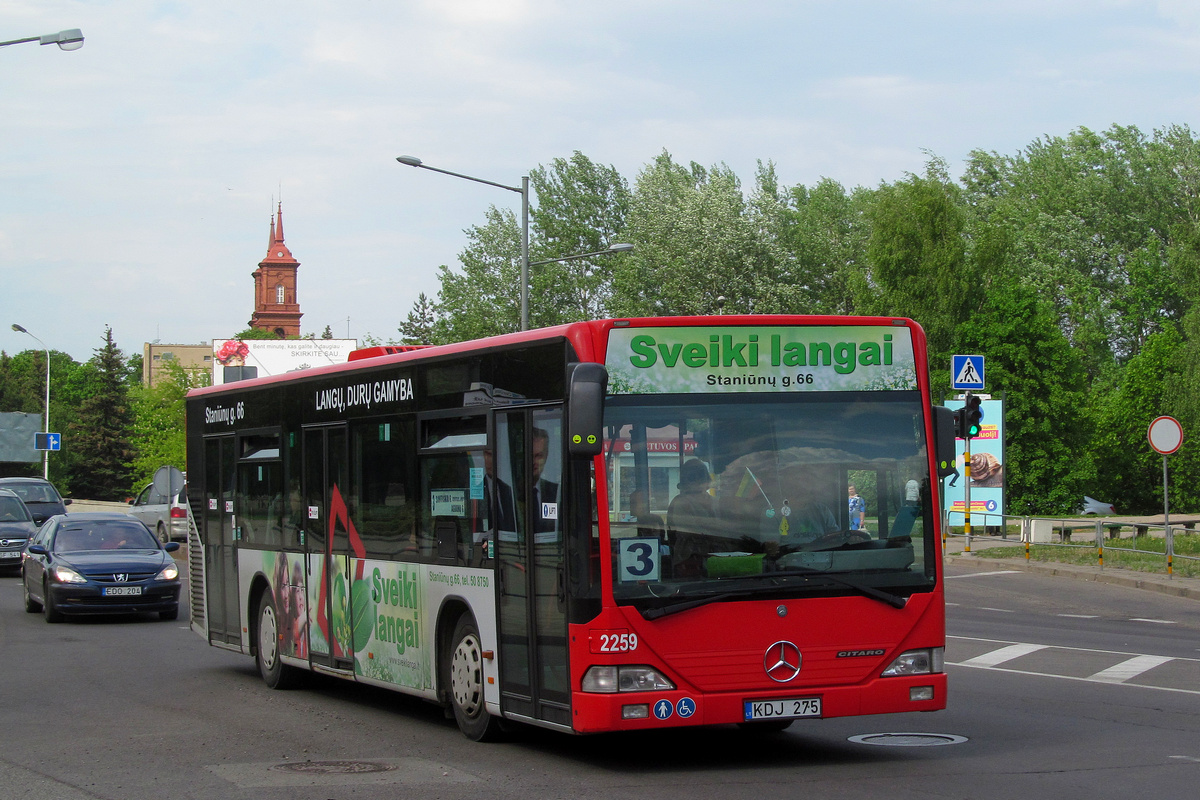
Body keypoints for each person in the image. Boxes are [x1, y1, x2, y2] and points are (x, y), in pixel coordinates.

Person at [668, 459, 721, 576]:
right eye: (692, 475)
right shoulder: (680, 502)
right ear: (685, 480)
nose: (697, 479)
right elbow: (691, 531)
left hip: (717, 560)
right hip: (688, 561)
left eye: (701, 474)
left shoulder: (715, 501)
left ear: (707, 477)